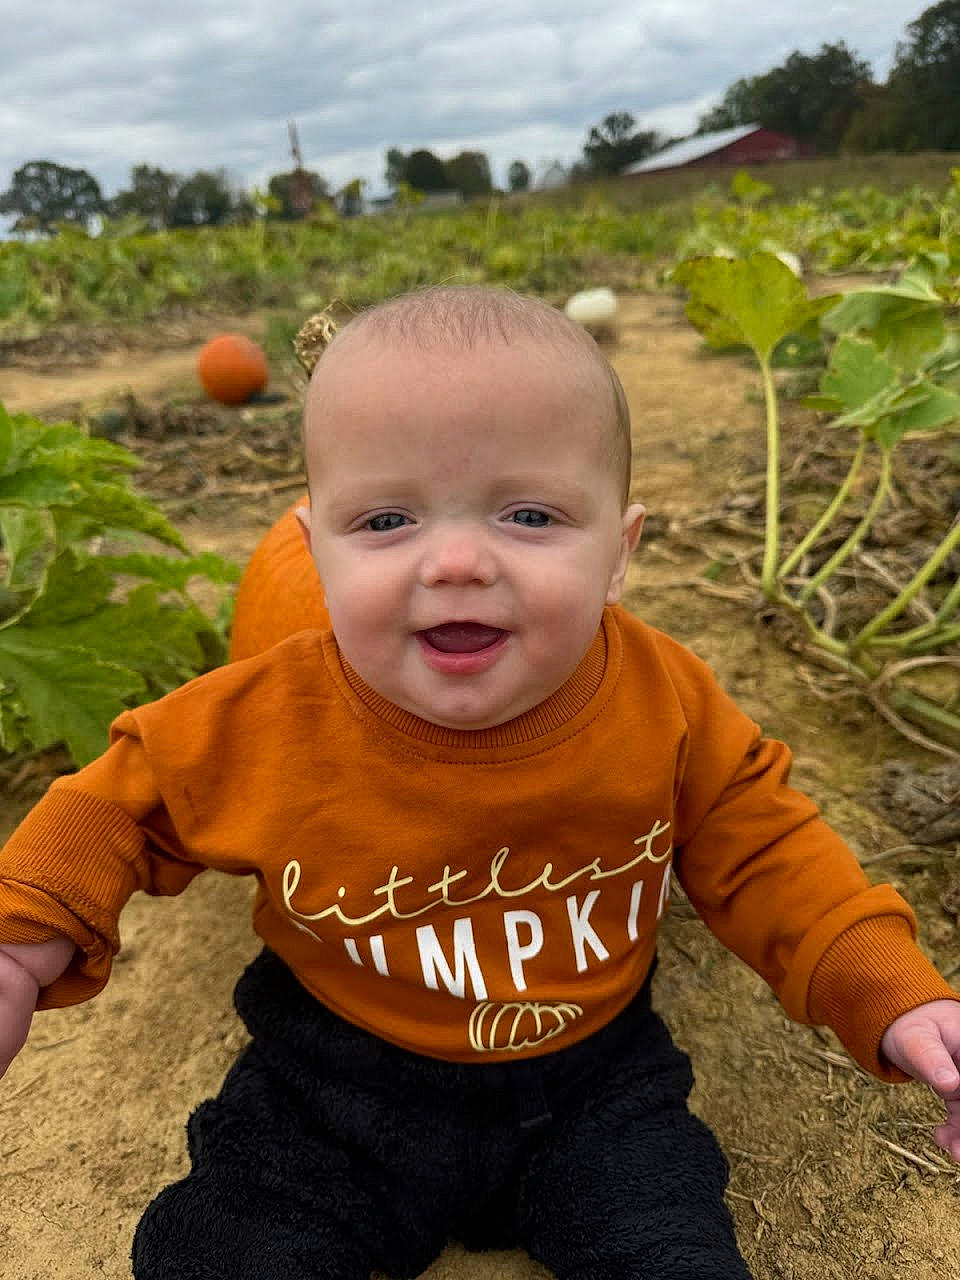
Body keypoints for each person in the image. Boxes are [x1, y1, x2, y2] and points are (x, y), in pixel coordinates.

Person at [1, 285, 958, 1280]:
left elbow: (765, 845)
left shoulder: (665, 699)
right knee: (227, 1249)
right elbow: (116, 804)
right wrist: (21, 945)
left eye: (529, 514)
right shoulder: (261, 715)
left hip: (595, 1085)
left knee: (671, 1249)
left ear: (619, 554)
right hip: (331, 1081)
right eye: (386, 519)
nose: (456, 562)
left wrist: (891, 994)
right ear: (313, 552)